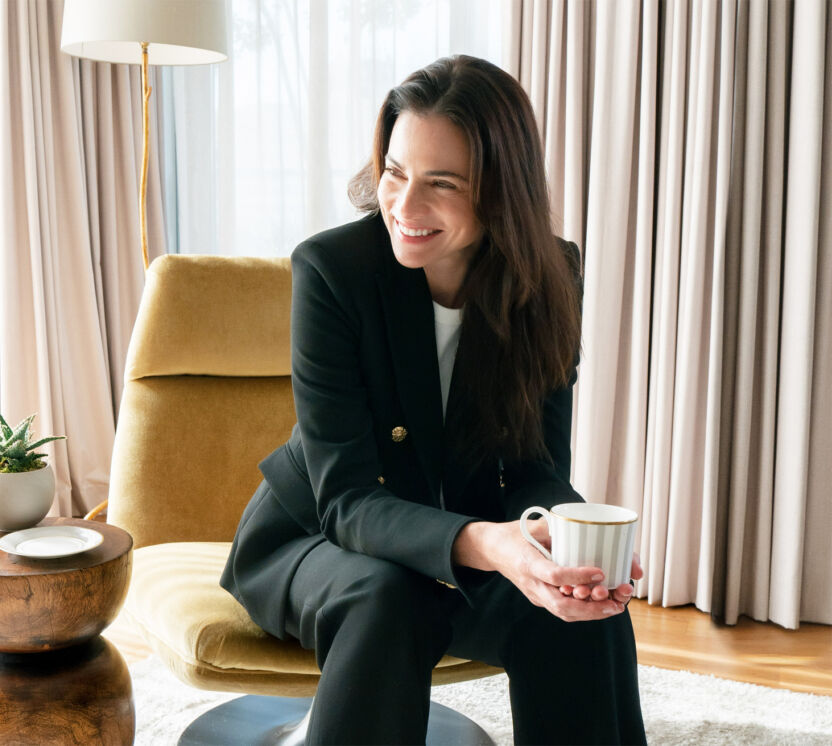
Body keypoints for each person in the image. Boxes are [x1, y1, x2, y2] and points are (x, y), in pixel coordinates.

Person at [220, 55, 647, 745]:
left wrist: (568, 553)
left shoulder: (551, 275)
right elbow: (347, 503)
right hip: (314, 541)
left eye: (440, 183)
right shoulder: (333, 273)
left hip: (462, 548)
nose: (404, 206)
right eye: (395, 172)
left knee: (576, 612)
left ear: (500, 191)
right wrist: (493, 546)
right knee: (389, 599)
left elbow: (535, 467)